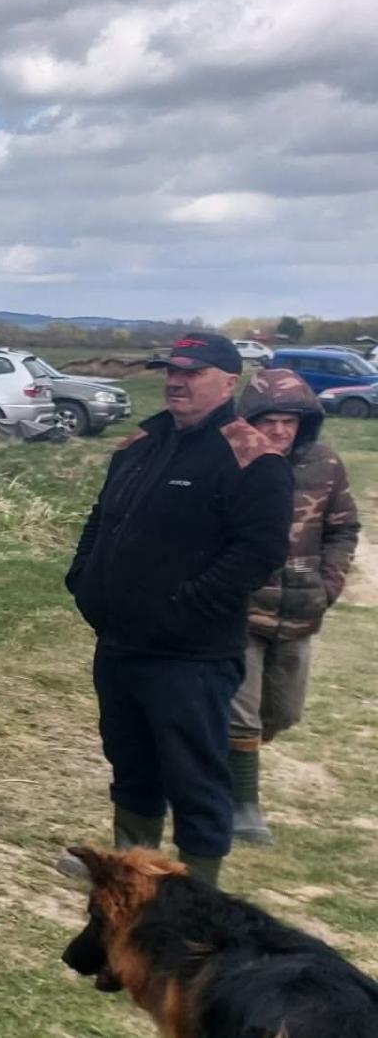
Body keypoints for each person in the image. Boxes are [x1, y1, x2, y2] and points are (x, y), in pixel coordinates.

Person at [65, 333, 292, 886]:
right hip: (120, 644)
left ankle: (196, 899)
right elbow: (102, 516)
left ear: (229, 382)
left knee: (196, 780)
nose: (176, 381)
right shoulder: (140, 445)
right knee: (131, 767)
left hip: (191, 657)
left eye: (192, 372)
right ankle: (132, 884)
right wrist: (84, 579)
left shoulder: (252, 456)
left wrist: (183, 607)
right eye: (171, 370)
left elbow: (258, 554)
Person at [229, 367, 359, 845]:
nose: (281, 430)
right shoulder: (230, 462)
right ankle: (242, 805)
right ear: (251, 421)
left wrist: (329, 585)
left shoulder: (326, 464)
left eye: (290, 421)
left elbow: (344, 528)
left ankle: (224, 763)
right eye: (270, 421)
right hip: (240, 609)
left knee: (283, 712)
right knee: (240, 712)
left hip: (302, 610)